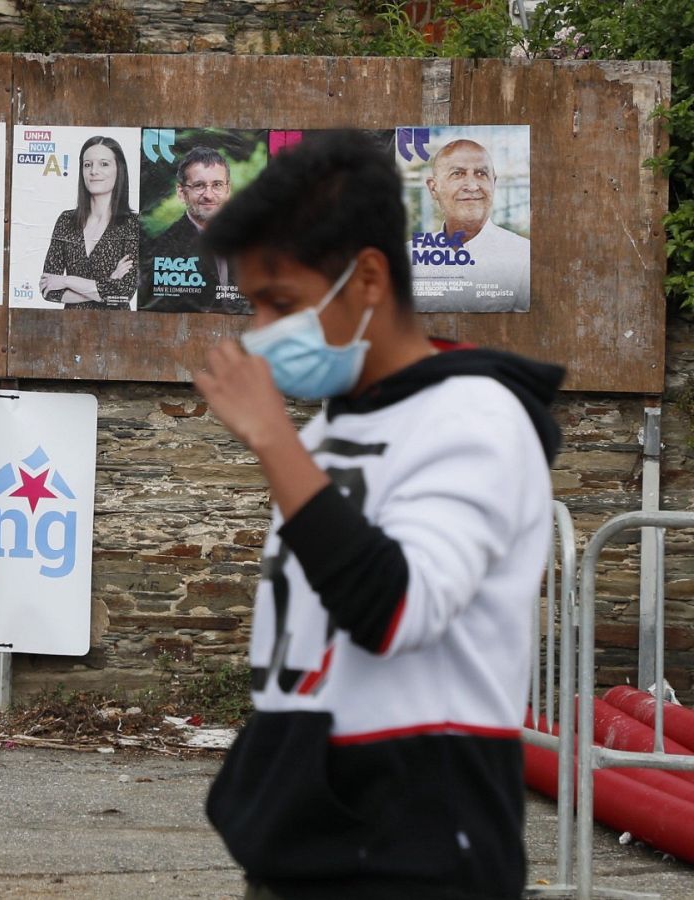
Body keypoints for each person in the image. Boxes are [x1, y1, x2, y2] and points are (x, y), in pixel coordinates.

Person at [192, 131, 562, 899]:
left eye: (282, 302)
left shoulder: (476, 419)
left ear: (366, 280)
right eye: (252, 304)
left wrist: (271, 440)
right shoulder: (332, 427)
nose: (259, 333)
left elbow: (396, 609)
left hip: (416, 852)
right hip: (307, 844)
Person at [411, 138, 531, 312]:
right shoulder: (408, 258)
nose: (472, 186)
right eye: (457, 174)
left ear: (494, 183)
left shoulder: (524, 257)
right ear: (433, 188)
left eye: (481, 174)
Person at [38, 135, 139, 310]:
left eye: (104, 164)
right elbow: (49, 290)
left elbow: (123, 292)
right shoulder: (66, 221)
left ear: (119, 170)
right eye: (87, 164)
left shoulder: (133, 225)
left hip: (116, 328)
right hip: (70, 328)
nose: (93, 171)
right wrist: (107, 285)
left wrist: (66, 280)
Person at [145, 145, 244, 314]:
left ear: (228, 189)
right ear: (182, 192)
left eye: (217, 185)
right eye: (199, 185)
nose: (209, 195)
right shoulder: (162, 249)